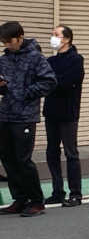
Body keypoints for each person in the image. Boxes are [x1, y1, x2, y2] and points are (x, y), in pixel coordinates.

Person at [0, 21, 57, 217]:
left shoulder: (36, 58)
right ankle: (19, 198)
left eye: (10, 41)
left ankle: (36, 201)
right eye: (4, 42)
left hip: (25, 116)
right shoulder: (4, 59)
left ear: (20, 37)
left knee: (23, 160)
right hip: (5, 114)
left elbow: (49, 82)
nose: (7, 45)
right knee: (7, 158)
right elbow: (4, 87)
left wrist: (25, 93)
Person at [43, 25, 85, 207]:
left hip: (68, 111)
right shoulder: (50, 60)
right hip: (51, 110)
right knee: (51, 152)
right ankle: (57, 191)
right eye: (53, 35)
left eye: (56, 35)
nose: (53, 38)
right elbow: (44, 81)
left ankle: (76, 193)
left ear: (67, 39)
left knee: (71, 153)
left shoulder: (76, 59)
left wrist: (51, 81)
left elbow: (68, 82)